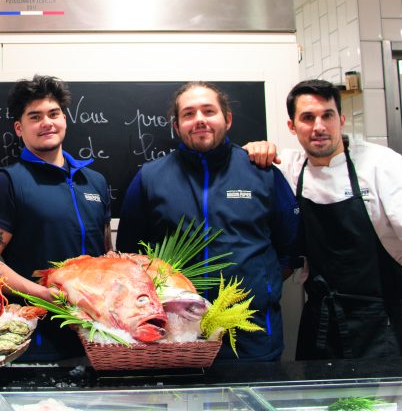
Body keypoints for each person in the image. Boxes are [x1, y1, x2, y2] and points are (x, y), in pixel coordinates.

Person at [247, 79, 402, 362]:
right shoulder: (291, 168)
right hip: (320, 323)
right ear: (292, 126)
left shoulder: (382, 164)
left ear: (341, 120)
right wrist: (256, 148)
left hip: (384, 324)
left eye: (327, 115)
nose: (319, 127)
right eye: (307, 117)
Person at [117, 81, 301, 362]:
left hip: (252, 333)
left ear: (227, 119)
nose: (199, 119)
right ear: (176, 126)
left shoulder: (262, 172)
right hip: (174, 336)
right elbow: (130, 256)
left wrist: (264, 284)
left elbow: (289, 246)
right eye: (189, 114)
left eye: (208, 111)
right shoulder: (150, 178)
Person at [0, 75, 111, 362]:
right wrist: (42, 295)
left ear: (64, 119)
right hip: (35, 339)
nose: (47, 122)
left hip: (100, 336)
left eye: (53, 113)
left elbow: (106, 255)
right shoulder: (8, 182)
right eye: (35, 117)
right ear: (20, 128)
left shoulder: (94, 182)